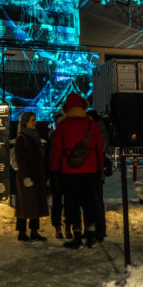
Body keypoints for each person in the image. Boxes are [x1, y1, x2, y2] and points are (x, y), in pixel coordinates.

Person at [51, 93, 104, 249]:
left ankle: (77, 235)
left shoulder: (63, 126)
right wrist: (99, 167)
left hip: (69, 172)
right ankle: (91, 233)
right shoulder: (91, 125)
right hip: (90, 171)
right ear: (83, 107)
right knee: (89, 202)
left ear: (66, 108)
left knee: (72, 204)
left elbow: (57, 151)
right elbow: (99, 149)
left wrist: (55, 171)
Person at [13, 112, 49, 241]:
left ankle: (34, 230)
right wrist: (25, 176)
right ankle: (22, 232)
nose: (35, 122)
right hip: (26, 176)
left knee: (35, 203)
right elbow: (21, 159)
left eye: (35, 120)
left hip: (36, 175)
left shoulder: (34, 136)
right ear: (25, 122)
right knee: (24, 204)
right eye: (32, 120)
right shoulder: (22, 138)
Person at [86, 110, 110, 243]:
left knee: (95, 201)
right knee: (96, 200)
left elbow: (99, 150)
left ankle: (99, 230)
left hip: (95, 170)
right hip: (96, 170)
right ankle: (98, 230)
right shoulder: (101, 130)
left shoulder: (97, 131)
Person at [47, 112, 71, 240]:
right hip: (59, 173)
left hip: (62, 172)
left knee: (65, 202)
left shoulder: (56, 137)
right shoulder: (53, 137)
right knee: (60, 202)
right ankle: (60, 227)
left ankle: (64, 227)